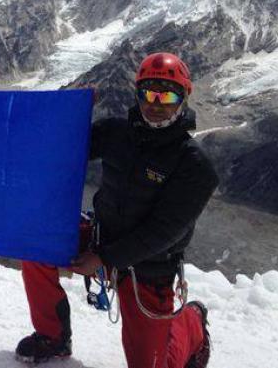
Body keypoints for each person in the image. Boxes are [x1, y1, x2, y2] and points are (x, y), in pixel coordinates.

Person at [15, 52, 219, 367]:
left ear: (184, 98)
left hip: (149, 266)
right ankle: (53, 336)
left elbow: (163, 232)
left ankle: (190, 323)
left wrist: (104, 258)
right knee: (35, 244)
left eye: (167, 95)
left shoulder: (195, 166)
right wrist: (73, 111)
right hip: (102, 235)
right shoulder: (116, 133)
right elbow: (63, 147)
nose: (155, 103)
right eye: (147, 93)